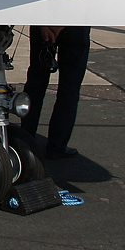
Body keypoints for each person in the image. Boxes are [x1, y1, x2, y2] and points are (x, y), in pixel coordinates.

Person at [21, 25, 91, 159]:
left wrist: (44, 25)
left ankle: (25, 139)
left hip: (43, 24)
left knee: (36, 83)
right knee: (69, 88)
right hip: (75, 27)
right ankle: (57, 145)